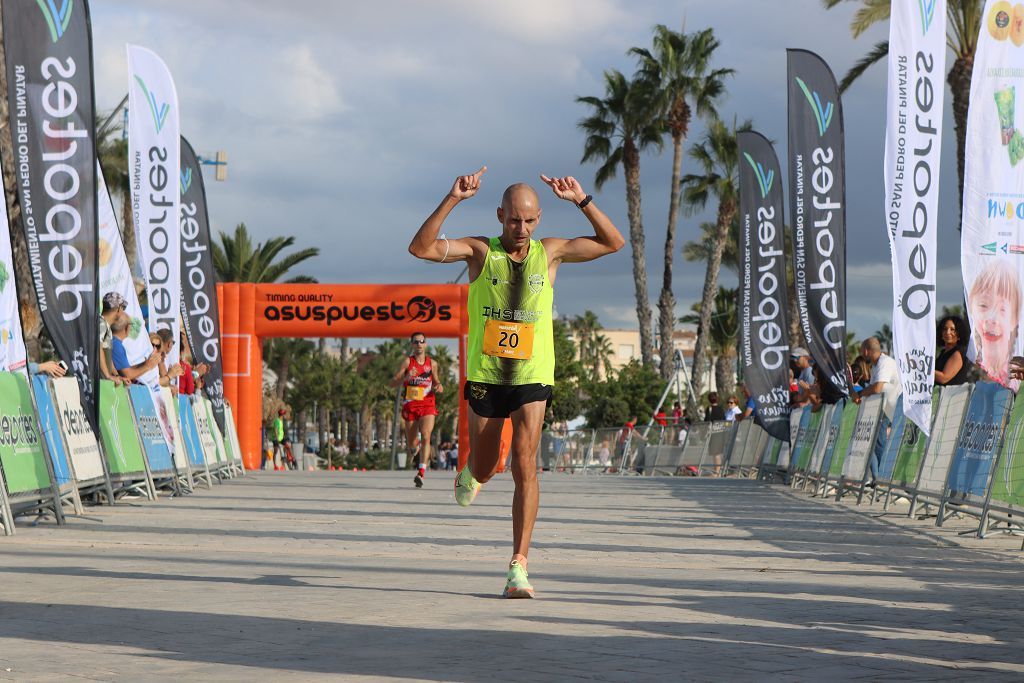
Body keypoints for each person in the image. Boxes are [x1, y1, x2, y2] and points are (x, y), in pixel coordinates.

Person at [408, 165, 624, 598]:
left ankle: (518, 566)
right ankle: (472, 472)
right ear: (499, 215)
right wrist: (453, 198)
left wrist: (582, 200)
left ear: (539, 218)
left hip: (533, 375)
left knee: (525, 461)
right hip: (488, 376)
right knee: (489, 466)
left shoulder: (552, 252)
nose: (521, 228)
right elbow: (421, 248)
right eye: (513, 220)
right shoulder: (479, 252)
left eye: (529, 220)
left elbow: (612, 242)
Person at [390, 331, 444, 488]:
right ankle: (414, 447)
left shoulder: (432, 363)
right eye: (416, 342)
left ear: (425, 344)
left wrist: (438, 386)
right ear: (412, 345)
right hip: (411, 404)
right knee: (412, 444)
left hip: (427, 403)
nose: (419, 344)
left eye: (421, 341)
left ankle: (421, 473)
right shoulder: (407, 362)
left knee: (427, 435)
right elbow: (394, 382)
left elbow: (436, 380)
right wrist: (406, 378)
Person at [968, 259, 1022, 388]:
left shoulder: (1017, 372)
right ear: (971, 308)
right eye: (984, 305)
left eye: (1002, 309)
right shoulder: (969, 365)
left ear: (1014, 318)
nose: (992, 318)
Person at [857, 337, 902, 484]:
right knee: (871, 444)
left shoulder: (885, 362)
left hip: (889, 408)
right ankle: (877, 478)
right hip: (883, 408)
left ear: (866, 351)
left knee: (879, 444)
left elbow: (877, 388)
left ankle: (883, 478)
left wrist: (860, 394)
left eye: (862, 353)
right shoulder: (877, 365)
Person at [111, 317, 160, 382]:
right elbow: (128, 374)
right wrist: (148, 366)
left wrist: (146, 363)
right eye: (133, 327)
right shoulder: (116, 344)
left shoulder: (117, 343)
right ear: (127, 328)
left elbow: (126, 369)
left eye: (158, 346)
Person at [935, 315, 971, 387]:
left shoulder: (958, 352)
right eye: (945, 329)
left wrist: (923, 369)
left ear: (959, 333)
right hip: (939, 395)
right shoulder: (943, 352)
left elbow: (944, 378)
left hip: (951, 396)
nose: (948, 332)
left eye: (952, 329)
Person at [99, 292, 127, 386]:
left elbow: (106, 354)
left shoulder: (106, 326)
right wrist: (107, 375)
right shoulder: (101, 323)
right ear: (119, 309)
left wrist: (116, 375)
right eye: (124, 308)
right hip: (99, 384)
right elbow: (98, 349)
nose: (124, 312)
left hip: (103, 383)